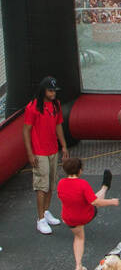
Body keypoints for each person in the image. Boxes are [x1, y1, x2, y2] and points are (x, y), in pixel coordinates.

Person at [57, 159, 119, 270]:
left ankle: (78, 267)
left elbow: (64, 200)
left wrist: (63, 216)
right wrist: (112, 201)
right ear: (80, 171)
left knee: (79, 238)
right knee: (95, 199)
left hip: (69, 217)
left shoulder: (61, 183)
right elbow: (96, 202)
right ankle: (105, 187)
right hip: (85, 215)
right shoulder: (82, 184)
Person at [23, 75, 69, 235]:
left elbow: (58, 126)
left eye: (54, 91)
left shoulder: (55, 105)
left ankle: (47, 211)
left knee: (50, 183)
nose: (53, 93)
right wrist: (30, 153)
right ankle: (40, 218)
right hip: (40, 151)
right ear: (44, 91)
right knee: (41, 185)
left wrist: (63, 146)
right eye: (50, 91)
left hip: (52, 150)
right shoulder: (33, 107)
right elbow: (26, 130)